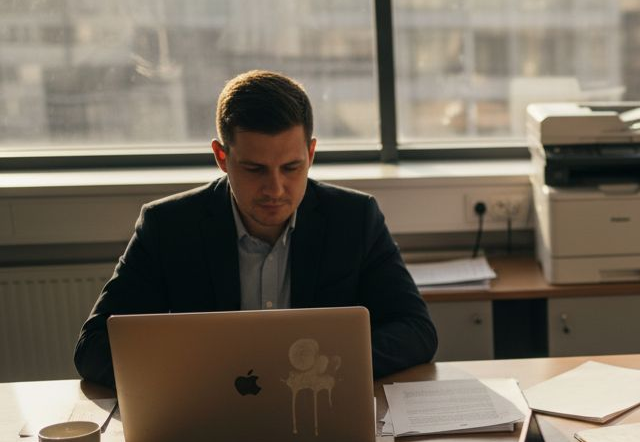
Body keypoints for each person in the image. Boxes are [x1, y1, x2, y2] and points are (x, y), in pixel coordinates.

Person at [74, 70, 436, 388]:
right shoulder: (168, 227)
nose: (275, 189)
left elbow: (416, 332)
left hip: (316, 406)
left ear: (311, 154)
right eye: (255, 169)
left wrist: (322, 365)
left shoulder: (355, 219)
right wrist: (204, 374)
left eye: (292, 168)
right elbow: (93, 348)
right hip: (208, 413)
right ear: (221, 158)